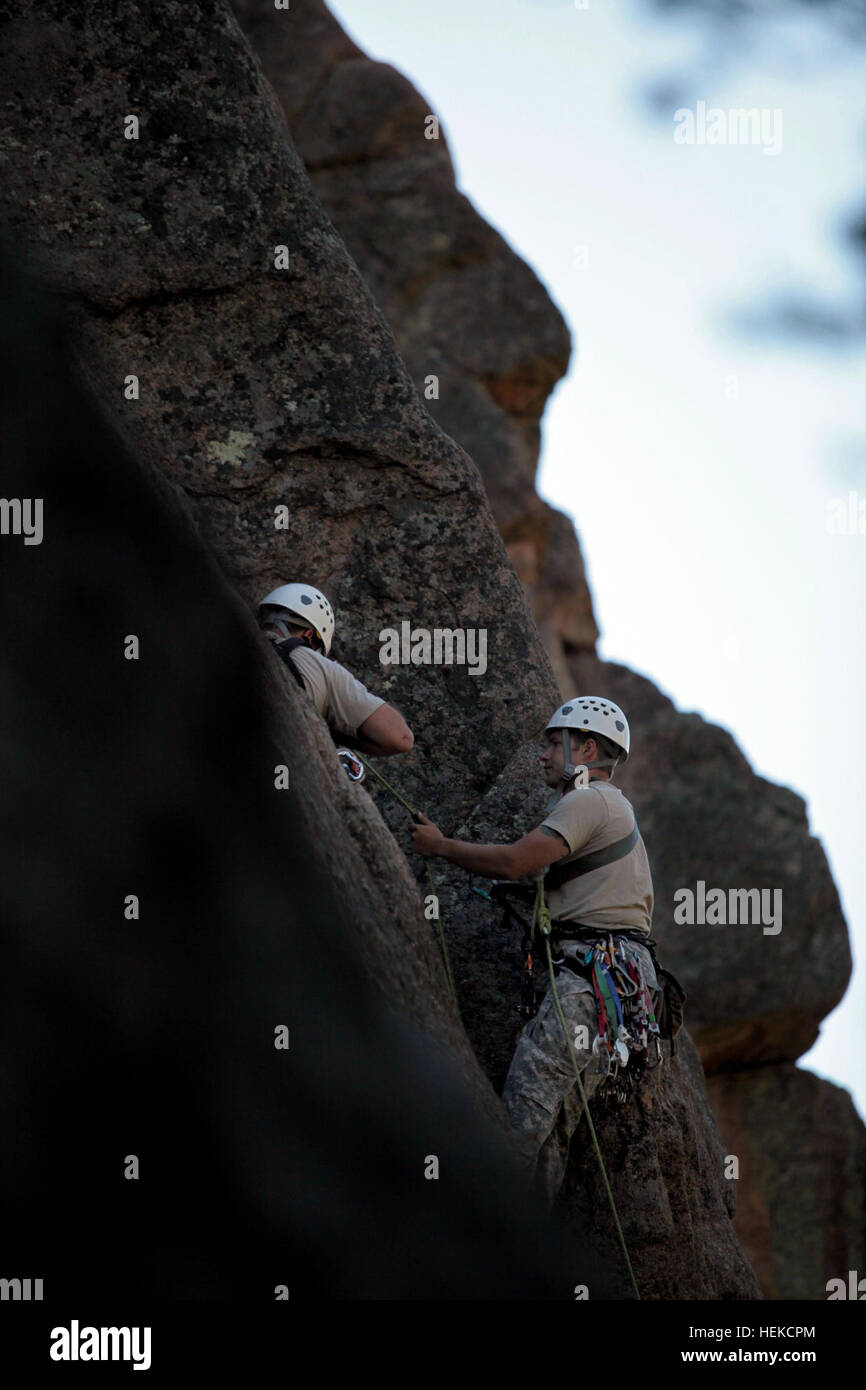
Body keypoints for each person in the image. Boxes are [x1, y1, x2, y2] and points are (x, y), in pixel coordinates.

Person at [411, 695, 660, 1207]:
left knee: (524, 1112)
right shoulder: (612, 807)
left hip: (592, 983)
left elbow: (515, 862)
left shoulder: (590, 800)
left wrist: (441, 847)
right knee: (550, 1134)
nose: (543, 754)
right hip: (618, 990)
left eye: (553, 742)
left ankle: (479, 1235)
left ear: (586, 747)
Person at [258, 583, 414, 759]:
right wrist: (328, 730)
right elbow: (400, 738)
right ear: (309, 635)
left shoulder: (228, 639)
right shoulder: (320, 667)